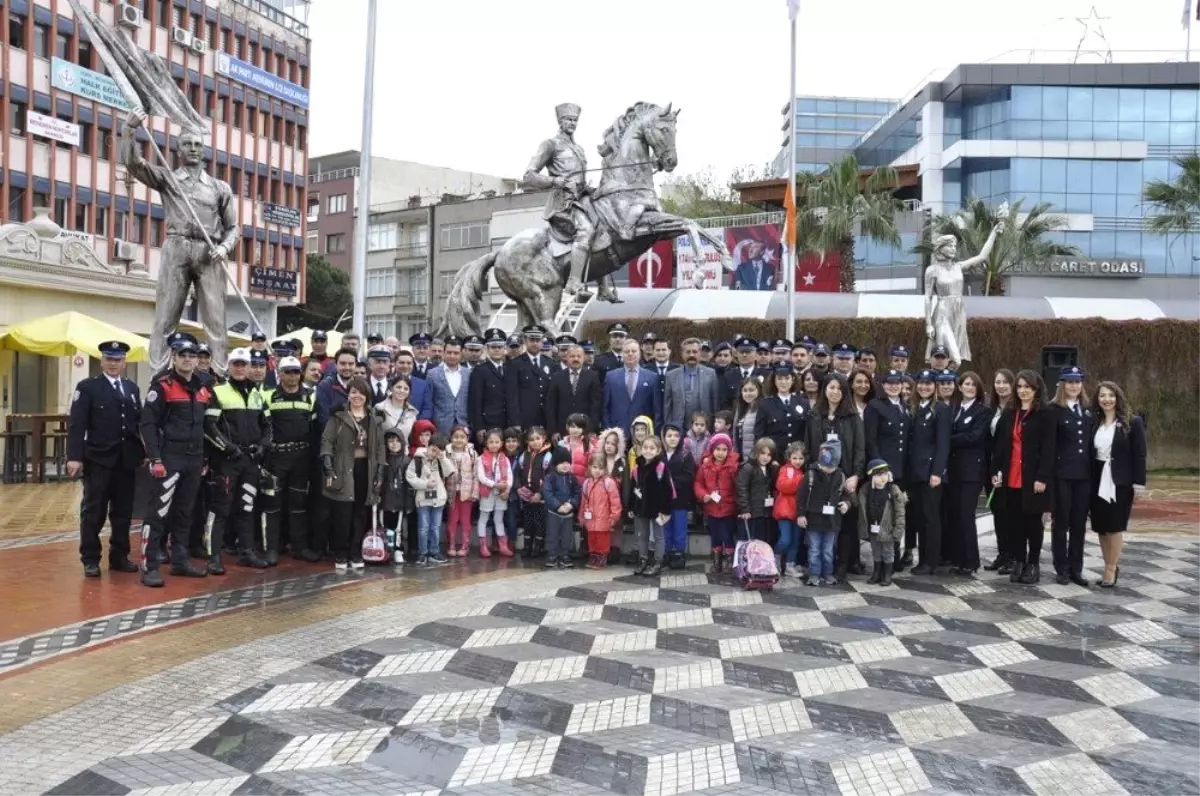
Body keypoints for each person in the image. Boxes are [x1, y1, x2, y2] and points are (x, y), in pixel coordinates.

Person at [121, 109, 238, 372]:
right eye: (187, 144)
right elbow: (134, 165)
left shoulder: (220, 188)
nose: (193, 149)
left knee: (216, 321)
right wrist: (129, 130)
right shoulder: (168, 179)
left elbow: (233, 228)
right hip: (177, 247)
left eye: (198, 144)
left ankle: (219, 374)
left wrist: (224, 247)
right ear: (178, 149)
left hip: (210, 252)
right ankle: (159, 374)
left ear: (204, 149)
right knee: (166, 316)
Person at [138, 332, 212, 586]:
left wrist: (205, 459)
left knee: (184, 513)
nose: (189, 359)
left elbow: (207, 426)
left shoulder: (203, 386)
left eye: (193, 355)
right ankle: (149, 566)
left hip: (194, 458)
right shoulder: (163, 385)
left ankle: (180, 561)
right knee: (158, 512)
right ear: (173, 356)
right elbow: (147, 425)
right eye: (183, 354)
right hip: (170, 457)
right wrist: (155, 458)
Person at [67, 341, 143, 578]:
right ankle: (90, 559)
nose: (113, 364)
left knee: (123, 512)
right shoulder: (88, 387)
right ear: (102, 362)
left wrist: (145, 453)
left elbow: (137, 425)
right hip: (98, 460)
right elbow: (77, 425)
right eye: (109, 359)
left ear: (124, 363)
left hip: (126, 461)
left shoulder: (132, 389)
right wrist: (74, 457)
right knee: (93, 511)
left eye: (117, 360)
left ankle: (119, 556)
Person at [204, 347, 272, 572]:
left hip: (251, 460)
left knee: (247, 506)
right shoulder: (218, 391)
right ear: (229, 366)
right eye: (236, 364)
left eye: (244, 364)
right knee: (220, 508)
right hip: (227, 461)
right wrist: (230, 449)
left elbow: (267, 426)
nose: (241, 368)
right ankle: (213, 556)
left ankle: (247, 552)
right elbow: (210, 427)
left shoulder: (257, 394)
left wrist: (262, 448)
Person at [522, 102, 595, 298]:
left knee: (606, 228)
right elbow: (528, 176)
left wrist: (587, 187)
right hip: (562, 204)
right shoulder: (550, 145)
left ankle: (604, 288)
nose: (572, 123)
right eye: (568, 119)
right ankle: (573, 282)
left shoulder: (579, 148)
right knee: (586, 230)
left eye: (575, 120)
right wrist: (557, 181)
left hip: (581, 200)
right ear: (560, 121)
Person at [991, 370, 1056, 585]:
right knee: (1014, 522)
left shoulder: (1045, 415)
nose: (1022, 391)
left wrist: (1042, 477)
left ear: (1036, 389)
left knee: (1033, 524)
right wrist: (996, 472)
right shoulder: (1010, 414)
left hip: (1033, 479)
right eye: (1019, 387)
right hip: (1011, 477)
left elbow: (1049, 450)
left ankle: (1033, 563)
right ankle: (1018, 560)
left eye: (1027, 387)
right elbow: (1000, 448)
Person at [805, 373, 866, 579]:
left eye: (839, 388)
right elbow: (808, 446)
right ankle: (819, 565)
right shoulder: (814, 416)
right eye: (831, 387)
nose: (835, 392)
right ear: (824, 390)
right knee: (822, 520)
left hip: (845, 476)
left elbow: (859, 448)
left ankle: (843, 564)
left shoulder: (852, 417)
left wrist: (856, 475)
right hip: (821, 478)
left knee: (846, 522)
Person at [320, 378, 385, 570]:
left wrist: (381, 469)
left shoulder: (374, 418)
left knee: (360, 513)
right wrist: (327, 463)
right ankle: (341, 553)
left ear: (367, 396)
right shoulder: (338, 417)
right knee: (342, 514)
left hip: (365, 469)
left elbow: (380, 446)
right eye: (353, 392)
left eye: (361, 393)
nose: (357, 396)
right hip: (343, 469)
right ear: (348, 394)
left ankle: (356, 552)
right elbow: (327, 441)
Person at [261, 356, 316, 565]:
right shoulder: (269, 396)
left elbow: (313, 429)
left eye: (295, 371)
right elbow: (264, 427)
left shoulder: (310, 396)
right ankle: (272, 549)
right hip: (276, 458)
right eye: (288, 371)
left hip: (301, 458)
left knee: (299, 505)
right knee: (272, 505)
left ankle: (299, 548)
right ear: (280, 373)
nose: (292, 376)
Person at [1090, 381, 1146, 588]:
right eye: (1102, 396)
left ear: (1118, 398)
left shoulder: (1133, 422)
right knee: (1101, 527)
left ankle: (1111, 569)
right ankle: (1107, 564)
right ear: (1097, 399)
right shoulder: (1094, 423)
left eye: (1111, 396)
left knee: (1114, 526)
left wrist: (1138, 484)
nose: (1107, 399)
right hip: (1096, 479)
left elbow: (1140, 455)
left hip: (1119, 482)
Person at [943, 371, 992, 576]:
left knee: (966, 515)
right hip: (953, 470)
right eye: (966, 384)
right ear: (959, 386)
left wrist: (947, 438)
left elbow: (974, 437)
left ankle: (971, 561)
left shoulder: (983, 411)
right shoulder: (954, 409)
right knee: (954, 514)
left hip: (972, 471)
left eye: (973, 384)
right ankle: (958, 558)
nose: (969, 387)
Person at [1050, 365, 1095, 587]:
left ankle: (1076, 568)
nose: (1074, 386)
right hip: (1062, 475)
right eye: (1069, 382)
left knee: (1079, 524)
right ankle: (1061, 568)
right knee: (1061, 523)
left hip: (1084, 476)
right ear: (1062, 384)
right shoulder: (1054, 410)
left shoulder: (1088, 410)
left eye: (1077, 382)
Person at [905, 370, 951, 576]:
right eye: (921, 383)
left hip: (930, 473)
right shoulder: (914, 408)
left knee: (931, 518)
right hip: (915, 473)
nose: (924, 387)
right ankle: (922, 558)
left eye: (928, 384)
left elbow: (943, 443)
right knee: (919, 517)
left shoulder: (940, 409)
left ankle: (931, 561)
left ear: (935, 387)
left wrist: (937, 472)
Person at [798, 440, 851, 586]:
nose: (828, 470)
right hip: (813, 519)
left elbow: (846, 495)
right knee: (814, 549)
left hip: (832, 521)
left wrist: (846, 504)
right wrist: (801, 515)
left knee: (828, 550)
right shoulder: (810, 474)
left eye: (831, 467)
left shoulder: (840, 475)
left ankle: (828, 573)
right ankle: (814, 574)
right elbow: (801, 497)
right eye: (825, 467)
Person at [406, 431, 455, 566]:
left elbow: (450, 472)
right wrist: (425, 484)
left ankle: (434, 551)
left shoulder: (441, 461)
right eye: (433, 449)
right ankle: (422, 553)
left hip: (438, 499)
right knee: (423, 527)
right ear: (428, 446)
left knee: (435, 527)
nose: (435, 452)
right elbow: (410, 476)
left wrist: (442, 458)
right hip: (423, 499)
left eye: (439, 450)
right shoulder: (418, 459)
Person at [984, 369, 1017, 573]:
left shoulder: (1015, 410)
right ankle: (1003, 553)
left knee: (1010, 513)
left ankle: (1013, 556)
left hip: (1008, 469)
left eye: (1005, 381)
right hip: (992, 468)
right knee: (997, 513)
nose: (1001, 385)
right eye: (998, 382)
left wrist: (1003, 470)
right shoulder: (991, 409)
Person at [630, 435, 675, 576]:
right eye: (645, 447)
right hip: (641, 508)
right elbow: (633, 488)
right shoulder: (637, 468)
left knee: (658, 536)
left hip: (657, 510)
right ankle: (643, 560)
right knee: (642, 535)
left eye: (652, 448)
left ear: (658, 450)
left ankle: (657, 562)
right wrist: (631, 507)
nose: (648, 451)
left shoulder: (661, 468)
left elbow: (667, 491)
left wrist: (665, 510)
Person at [695, 432, 739, 573]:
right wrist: (703, 495)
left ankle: (729, 560)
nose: (720, 453)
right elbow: (698, 483)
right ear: (712, 450)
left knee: (727, 534)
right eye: (717, 449)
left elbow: (738, 486)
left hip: (728, 508)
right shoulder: (705, 466)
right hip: (711, 507)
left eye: (724, 450)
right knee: (715, 535)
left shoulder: (734, 467)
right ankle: (716, 560)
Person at [858, 458, 906, 586]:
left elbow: (900, 511)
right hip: (873, 526)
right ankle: (877, 573)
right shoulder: (866, 490)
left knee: (888, 551)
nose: (883, 478)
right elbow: (863, 508)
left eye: (885, 474)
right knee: (876, 550)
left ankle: (887, 575)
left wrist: (899, 529)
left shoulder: (893, 490)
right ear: (872, 476)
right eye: (879, 475)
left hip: (888, 528)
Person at [602, 339, 662, 438]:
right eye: (627, 351)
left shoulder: (652, 377)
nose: (630, 354)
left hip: (643, 434)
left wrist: (654, 434)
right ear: (622, 354)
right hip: (617, 434)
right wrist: (608, 431)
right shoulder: (610, 376)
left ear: (639, 353)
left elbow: (657, 410)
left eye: (634, 351)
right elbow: (605, 408)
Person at [546, 344, 604, 439]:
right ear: (567, 357)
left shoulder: (593, 376)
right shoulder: (557, 377)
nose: (575, 359)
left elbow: (596, 405)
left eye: (579, 356)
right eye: (572, 356)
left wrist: (592, 430)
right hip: (562, 429)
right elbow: (551, 405)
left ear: (583, 357)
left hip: (585, 429)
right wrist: (553, 431)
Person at [664, 337, 722, 432]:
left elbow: (715, 403)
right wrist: (668, 427)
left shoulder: (711, 374)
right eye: (688, 352)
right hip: (679, 428)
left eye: (694, 352)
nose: (691, 355)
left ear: (700, 353)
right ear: (682, 354)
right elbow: (667, 405)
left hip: (704, 428)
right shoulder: (671, 375)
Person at [755, 363, 808, 462]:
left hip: (798, 459)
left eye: (787, 378)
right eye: (779, 379)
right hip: (775, 458)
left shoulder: (803, 402)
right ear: (774, 381)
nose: (783, 382)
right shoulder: (766, 404)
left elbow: (807, 433)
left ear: (792, 380)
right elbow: (759, 435)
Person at [469, 328, 512, 448]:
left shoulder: (510, 369)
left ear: (504, 348)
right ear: (487, 349)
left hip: (507, 424)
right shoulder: (480, 371)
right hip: (488, 425)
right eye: (493, 347)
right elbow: (475, 402)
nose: (497, 350)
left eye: (499, 346)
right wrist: (479, 427)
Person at [506, 325, 555, 430]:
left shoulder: (550, 363)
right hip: (525, 419)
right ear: (525, 340)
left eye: (538, 340)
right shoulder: (515, 364)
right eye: (531, 340)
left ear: (542, 341)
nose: (535, 343)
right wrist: (515, 422)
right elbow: (512, 396)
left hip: (546, 418)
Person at [476, 428, 514, 557]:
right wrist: (494, 485)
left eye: (496, 442)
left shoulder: (505, 459)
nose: (494, 445)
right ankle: (483, 546)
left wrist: (507, 489)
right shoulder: (481, 459)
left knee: (499, 519)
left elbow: (509, 475)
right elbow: (481, 477)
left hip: (501, 493)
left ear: (501, 443)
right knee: (484, 518)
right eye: (491, 442)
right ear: (486, 443)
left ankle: (502, 546)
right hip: (487, 492)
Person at [542, 446, 583, 569]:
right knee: (553, 534)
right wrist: (558, 506)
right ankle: (552, 555)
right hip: (554, 512)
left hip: (568, 512)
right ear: (555, 464)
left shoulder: (572, 478)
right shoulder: (550, 478)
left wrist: (571, 504)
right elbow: (548, 493)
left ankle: (565, 555)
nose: (565, 466)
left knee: (567, 536)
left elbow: (577, 493)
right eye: (562, 463)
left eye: (567, 463)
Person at [516, 427, 554, 558]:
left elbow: (549, 478)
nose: (535, 442)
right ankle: (527, 546)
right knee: (528, 521)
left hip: (540, 498)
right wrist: (519, 487)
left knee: (539, 522)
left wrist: (540, 493)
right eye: (531, 440)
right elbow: (517, 473)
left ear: (544, 439)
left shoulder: (548, 457)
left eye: (538, 438)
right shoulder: (523, 456)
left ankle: (538, 547)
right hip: (527, 496)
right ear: (527, 441)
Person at [580, 454, 622, 568]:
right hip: (590, 520)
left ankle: (602, 556)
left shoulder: (608, 482)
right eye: (594, 467)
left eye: (600, 468)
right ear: (589, 467)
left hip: (604, 519)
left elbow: (615, 501)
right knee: (592, 538)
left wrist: (614, 517)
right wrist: (582, 517)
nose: (597, 471)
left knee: (602, 539)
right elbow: (584, 501)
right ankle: (593, 556)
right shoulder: (586, 483)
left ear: (605, 469)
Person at [662, 424, 695, 569]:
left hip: (680, 498)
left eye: (676, 436)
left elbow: (689, 475)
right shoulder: (660, 454)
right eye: (669, 436)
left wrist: (671, 482)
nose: (673, 439)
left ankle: (679, 554)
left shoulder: (685, 454)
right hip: (663, 499)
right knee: (665, 527)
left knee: (679, 527)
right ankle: (667, 553)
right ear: (664, 437)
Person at [737, 438, 779, 546]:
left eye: (769, 455)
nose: (766, 457)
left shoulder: (770, 468)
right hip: (752, 512)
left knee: (764, 541)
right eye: (763, 453)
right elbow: (742, 488)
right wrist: (745, 509)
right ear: (756, 452)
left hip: (766, 512)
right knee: (752, 541)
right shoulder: (748, 467)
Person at [445, 426, 479, 557]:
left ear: (467, 439)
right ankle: (452, 544)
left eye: (462, 437)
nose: (459, 440)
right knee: (452, 519)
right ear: (451, 438)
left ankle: (465, 545)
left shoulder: (472, 453)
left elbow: (476, 474)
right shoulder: (446, 452)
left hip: (467, 492)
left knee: (465, 520)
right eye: (456, 437)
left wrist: (475, 492)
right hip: (452, 491)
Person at [380, 430, 412, 565]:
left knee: (398, 529)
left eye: (397, 441)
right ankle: (385, 550)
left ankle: (398, 550)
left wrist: (409, 504)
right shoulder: (382, 460)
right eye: (391, 441)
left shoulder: (406, 461)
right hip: (385, 500)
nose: (394, 444)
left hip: (399, 500)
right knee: (384, 527)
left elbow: (409, 485)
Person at [774, 442, 806, 579]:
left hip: (797, 512)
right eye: (794, 458)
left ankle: (789, 565)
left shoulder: (802, 472)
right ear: (789, 457)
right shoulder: (786, 470)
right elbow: (783, 486)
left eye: (800, 458)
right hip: (785, 511)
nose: (797, 461)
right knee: (785, 539)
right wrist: (800, 481)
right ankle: (774, 559)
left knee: (795, 541)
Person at [427, 337, 471, 435]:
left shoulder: (468, 374)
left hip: (463, 426)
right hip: (440, 427)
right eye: (449, 352)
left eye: (456, 353)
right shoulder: (432, 374)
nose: (452, 356)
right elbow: (429, 401)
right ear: (443, 353)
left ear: (461, 354)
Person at [315, 348, 358, 430]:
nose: (347, 367)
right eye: (343, 364)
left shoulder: (362, 386)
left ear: (356, 365)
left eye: (351, 364)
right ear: (335, 364)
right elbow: (324, 419)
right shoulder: (324, 387)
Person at [377, 376, 419, 444]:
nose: (402, 391)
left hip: (404, 453)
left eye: (406, 389)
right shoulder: (380, 408)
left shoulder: (412, 412)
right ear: (391, 388)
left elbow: (411, 439)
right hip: (384, 452)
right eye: (398, 387)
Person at [392, 351, 433, 420]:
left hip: (415, 427)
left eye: (409, 363)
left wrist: (417, 425)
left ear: (413, 365)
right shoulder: (387, 382)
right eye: (401, 363)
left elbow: (427, 409)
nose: (405, 366)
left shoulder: (423, 385)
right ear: (395, 364)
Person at [733, 378, 762, 463]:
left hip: (754, 459)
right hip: (741, 456)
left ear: (759, 390)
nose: (748, 393)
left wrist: (753, 457)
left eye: (751, 390)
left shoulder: (761, 408)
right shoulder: (740, 408)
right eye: (745, 390)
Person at [560, 413, 595, 484]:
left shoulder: (589, 446)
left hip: (581, 485)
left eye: (579, 427)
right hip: (562, 484)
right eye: (573, 427)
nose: (575, 430)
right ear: (567, 427)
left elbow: (591, 468)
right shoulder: (561, 444)